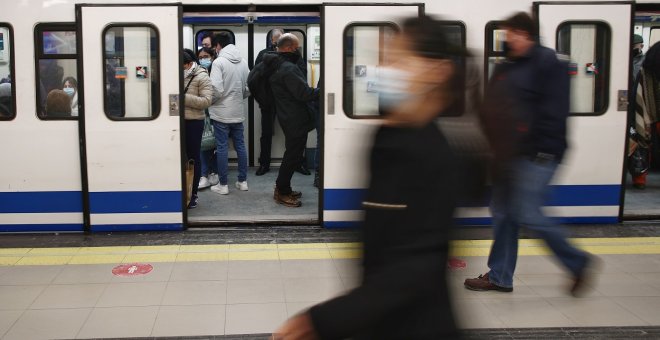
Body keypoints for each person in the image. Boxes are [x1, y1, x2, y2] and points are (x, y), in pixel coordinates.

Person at [274, 16, 462, 339]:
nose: (387, 69)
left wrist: (320, 322)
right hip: (383, 320)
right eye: (387, 60)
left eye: (401, 60)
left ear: (437, 71)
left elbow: (415, 268)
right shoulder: (388, 137)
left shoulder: (435, 156)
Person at [464, 12, 594, 296]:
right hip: (507, 157)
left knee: (528, 213)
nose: (507, 39)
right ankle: (499, 276)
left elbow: (554, 113)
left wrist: (535, 147)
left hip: (537, 154)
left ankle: (578, 261)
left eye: (511, 34)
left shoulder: (549, 64)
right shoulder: (507, 67)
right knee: (502, 213)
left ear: (526, 34)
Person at [267, 33, 319, 207]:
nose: (298, 51)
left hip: (288, 116)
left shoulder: (278, 64)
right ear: (289, 48)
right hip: (294, 118)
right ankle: (281, 191)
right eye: (296, 48)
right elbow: (303, 94)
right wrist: (324, 91)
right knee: (292, 156)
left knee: (293, 154)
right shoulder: (288, 68)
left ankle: (285, 188)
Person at [208, 31, 250, 195]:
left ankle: (223, 185)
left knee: (222, 147)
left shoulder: (219, 62)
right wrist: (238, 98)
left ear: (218, 46)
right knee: (240, 146)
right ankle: (242, 181)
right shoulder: (243, 62)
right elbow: (248, 88)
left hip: (221, 113)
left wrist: (209, 102)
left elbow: (216, 90)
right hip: (238, 111)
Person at [182, 48, 213, 208]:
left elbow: (207, 101)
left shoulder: (201, 75)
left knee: (193, 158)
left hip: (194, 122)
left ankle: (192, 193)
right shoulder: (176, 74)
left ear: (188, 64)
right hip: (178, 122)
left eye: (182, 67)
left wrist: (183, 97)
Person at [629, 42, 660, 189]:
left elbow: (638, 94)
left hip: (648, 112)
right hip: (655, 115)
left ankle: (639, 178)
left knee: (643, 143)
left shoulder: (646, 69)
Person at [254, 28, 284, 176]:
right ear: (272, 40)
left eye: (282, 37)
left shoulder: (289, 54)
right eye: (277, 38)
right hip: (268, 100)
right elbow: (255, 76)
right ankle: (264, 163)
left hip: (286, 100)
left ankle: (298, 162)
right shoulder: (263, 54)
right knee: (266, 133)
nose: (279, 40)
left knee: (293, 132)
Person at [196, 47, 220, 190]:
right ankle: (204, 174)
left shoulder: (217, 70)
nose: (203, 59)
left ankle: (214, 172)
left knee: (216, 145)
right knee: (205, 143)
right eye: (200, 57)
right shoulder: (198, 72)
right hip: (204, 112)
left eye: (206, 56)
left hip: (217, 112)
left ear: (212, 56)